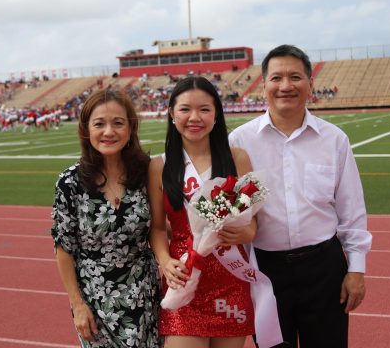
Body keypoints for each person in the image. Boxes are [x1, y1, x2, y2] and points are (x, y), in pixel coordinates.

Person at [229, 45, 372, 348]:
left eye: (295, 77)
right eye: (276, 78)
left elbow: (352, 209)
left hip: (324, 269)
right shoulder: (239, 141)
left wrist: (356, 269)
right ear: (263, 85)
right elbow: (231, 210)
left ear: (310, 84)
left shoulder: (334, 139)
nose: (285, 86)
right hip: (265, 272)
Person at [148, 76, 256, 348]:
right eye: (185, 109)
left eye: (204, 109)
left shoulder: (237, 158)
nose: (194, 117)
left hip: (230, 276)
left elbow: (253, 224)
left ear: (216, 114)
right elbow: (158, 228)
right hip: (184, 276)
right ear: (172, 114)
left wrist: (243, 232)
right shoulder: (159, 166)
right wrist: (164, 260)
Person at [51, 89, 162, 347]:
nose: (109, 132)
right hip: (94, 301)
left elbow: (160, 227)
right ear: (86, 129)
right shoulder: (70, 182)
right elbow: (63, 248)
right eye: (99, 124)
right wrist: (77, 304)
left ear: (130, 128)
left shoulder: (148, 173)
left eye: (118, 123)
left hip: (144, 295)